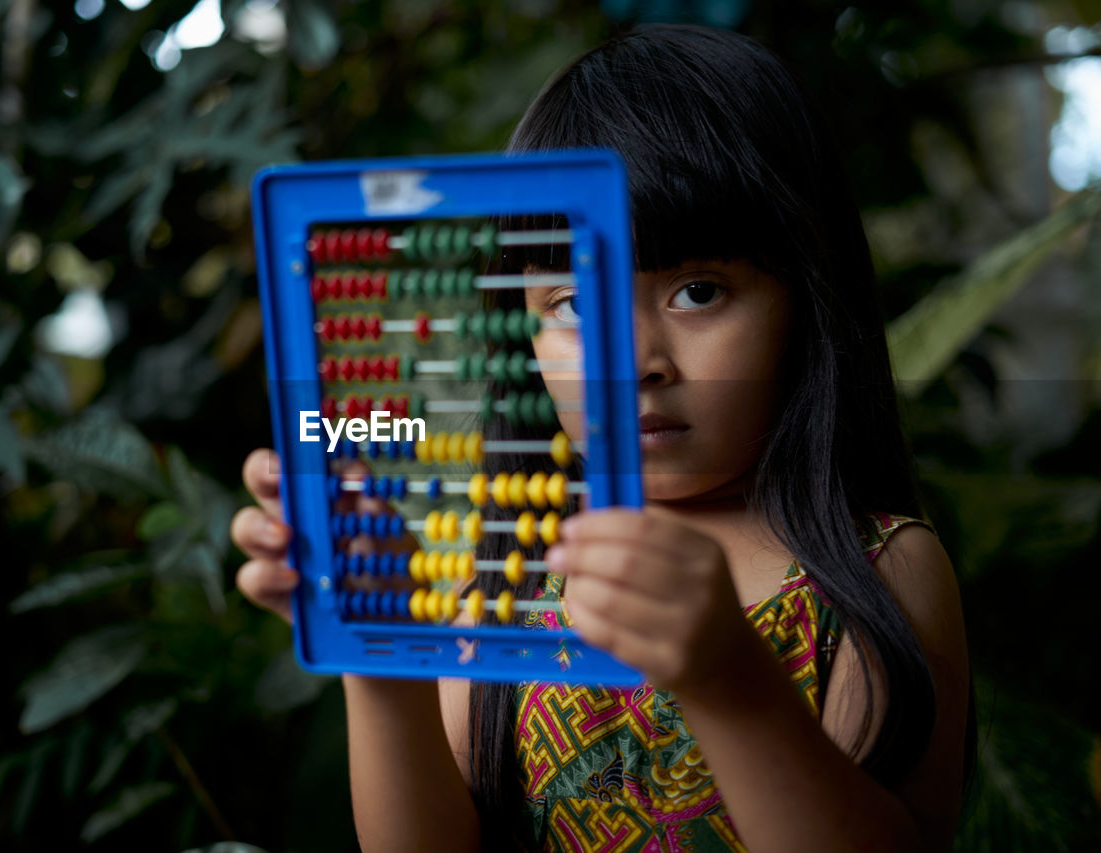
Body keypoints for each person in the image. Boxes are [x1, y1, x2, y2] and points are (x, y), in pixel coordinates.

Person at [232, 23, 972, 853]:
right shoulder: (503, 570)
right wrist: (381, 656)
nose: (635, 363)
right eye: (574, 306)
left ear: (807, 298)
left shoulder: (876, 569)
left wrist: (729, 679)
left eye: (698, 291)